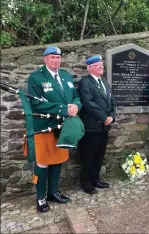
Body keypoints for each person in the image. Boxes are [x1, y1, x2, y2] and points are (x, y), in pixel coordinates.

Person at [27, 46, 82, 212]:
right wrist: (63, 109)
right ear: (45, 59)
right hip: (44, 127)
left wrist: (76, 106)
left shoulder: (65, 76)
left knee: (58, 160)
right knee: (43, 163)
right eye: (52, 57)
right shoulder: (36, 78)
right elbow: (36, 103)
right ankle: (40, 197)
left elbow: (76, 96)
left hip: (63, 127)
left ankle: (53, 192)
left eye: (58, 58)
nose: (56, 61)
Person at [77, 55, 116, 194]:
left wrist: (112, 116)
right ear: (90, 68)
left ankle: (95, 179)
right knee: (89, 155)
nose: (101, 67)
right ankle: (85, 182)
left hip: (104, 126)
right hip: (91, 126)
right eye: (98, 65)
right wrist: (103, 117)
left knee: (99, 154)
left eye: (102, 65)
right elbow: (88, 103)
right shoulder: (85, 83)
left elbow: (112, 101)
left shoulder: (104, 82)